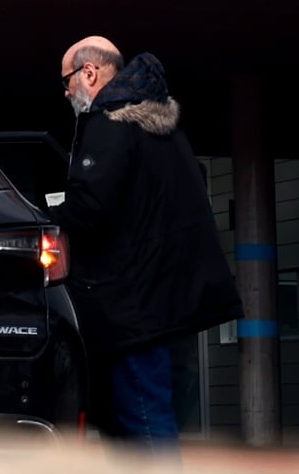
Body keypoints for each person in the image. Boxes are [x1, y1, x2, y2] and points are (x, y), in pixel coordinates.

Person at [55, 37, 236, 452]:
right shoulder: (155, 126)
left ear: (89, 72)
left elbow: (92, 209)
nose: (66, 92)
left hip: (130, 304)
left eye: (66, 80)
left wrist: (48, 217)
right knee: (147, 413)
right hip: (161, 297)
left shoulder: (108, 123)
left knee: (140, 419)